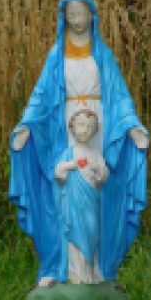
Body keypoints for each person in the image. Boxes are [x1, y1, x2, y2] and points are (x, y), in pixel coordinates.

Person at [8, 0, 149, 289]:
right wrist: (27, 125)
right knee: (63, 191)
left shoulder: (103, 54)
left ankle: (99, 267)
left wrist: (132, 126)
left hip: (98, 125)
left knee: (98, 188)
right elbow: (42, 94)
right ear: (64, 19)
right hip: (65, 124)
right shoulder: (56, 55)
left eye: (80, 13)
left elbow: (119, 96)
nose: (75, 20)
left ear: (92, 16)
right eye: (69, 15)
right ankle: (61, 266)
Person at [53, 109, 109, 286]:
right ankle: (76, 272)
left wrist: (97, 168)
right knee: (74, 234)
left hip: (90, 201)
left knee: (91, 233)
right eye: (81, 125)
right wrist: (71, 165)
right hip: (73, 203)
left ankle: (90, 270)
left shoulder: (95, 154)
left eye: (89, 127)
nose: (84, 130)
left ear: (94, 131)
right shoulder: (69, 153)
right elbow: (58, 172)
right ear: (73, 127)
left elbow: (103, 176)